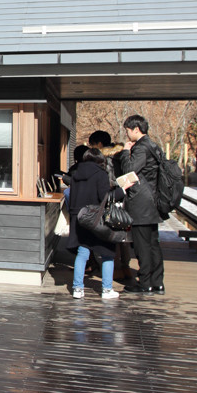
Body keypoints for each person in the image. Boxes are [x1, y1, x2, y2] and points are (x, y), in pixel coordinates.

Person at [117, 114, 165, 295]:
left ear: (136, 129)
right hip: (153, 200)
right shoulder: (154, 146)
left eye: (128, 131)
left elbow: (130, 170)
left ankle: (145, 283)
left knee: (142, 245)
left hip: (141, 202)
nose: (127, 135)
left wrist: (124, 153)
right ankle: (157, 282)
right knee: (153, 243)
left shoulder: (141, 148)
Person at [66, 148, 120, 299]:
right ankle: (107, 290)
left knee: (82, 253)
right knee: (107, 253)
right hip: (97, 219)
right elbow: (104, 197)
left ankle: (77, 288)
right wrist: (122, 191)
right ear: (100, 161)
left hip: (80, 217)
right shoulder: (101, 175)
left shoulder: (76, 175)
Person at [88, 130, 134, 282]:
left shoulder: (103, 159)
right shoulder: (123, 155)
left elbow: (106, 183)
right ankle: (125, 267)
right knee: (123, 236)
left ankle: (114, 269)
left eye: (93, 144)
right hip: (123, 199)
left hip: (109, 200)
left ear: (100, 144)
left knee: (109, 236)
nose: (91, 147)